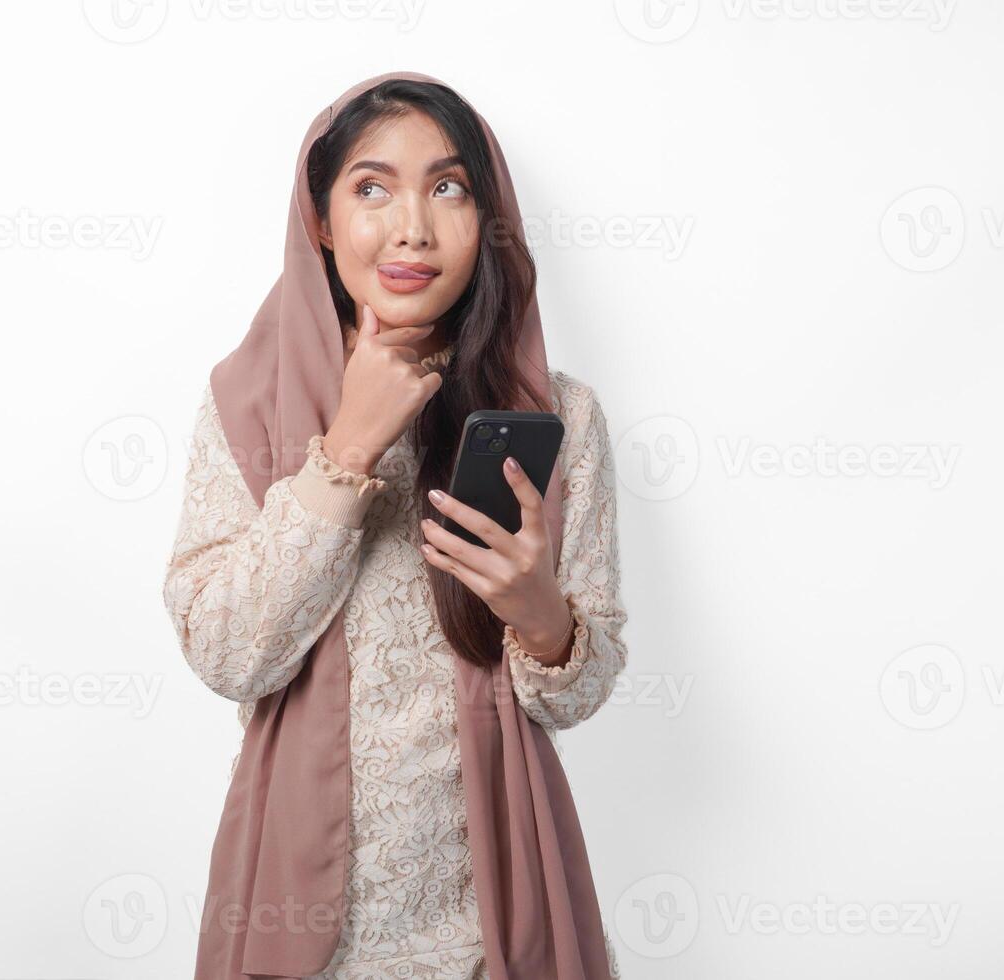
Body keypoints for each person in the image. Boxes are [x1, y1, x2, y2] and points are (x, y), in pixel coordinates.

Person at [162, 70, 628, 979]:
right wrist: (346, 450)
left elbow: (577, 694)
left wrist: (541, 613)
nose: (412, 227)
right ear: (322, 220)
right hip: (303, 917)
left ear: (487, 218)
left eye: (447, 187)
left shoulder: (558, 416)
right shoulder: (247, 405)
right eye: (371, 188)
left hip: (498, 910)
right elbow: (227, 657)